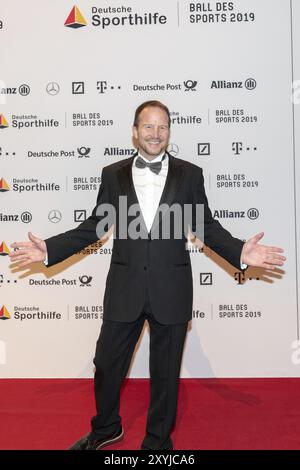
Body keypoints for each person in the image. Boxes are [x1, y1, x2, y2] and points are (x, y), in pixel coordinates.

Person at [9, 100, 286, 450]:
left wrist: (240, 251)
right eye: (148, 126)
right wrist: (49, 249)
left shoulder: (190, 174)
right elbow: (96, 226)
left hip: (171, 287)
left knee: (165, 374)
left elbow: (206, 226)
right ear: (135, 131)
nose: (155, 133)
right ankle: (106, 428)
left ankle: (156, 442)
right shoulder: (113, 174)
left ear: (169, 131)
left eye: (163, 127)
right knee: (107, 364)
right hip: (124, 287)